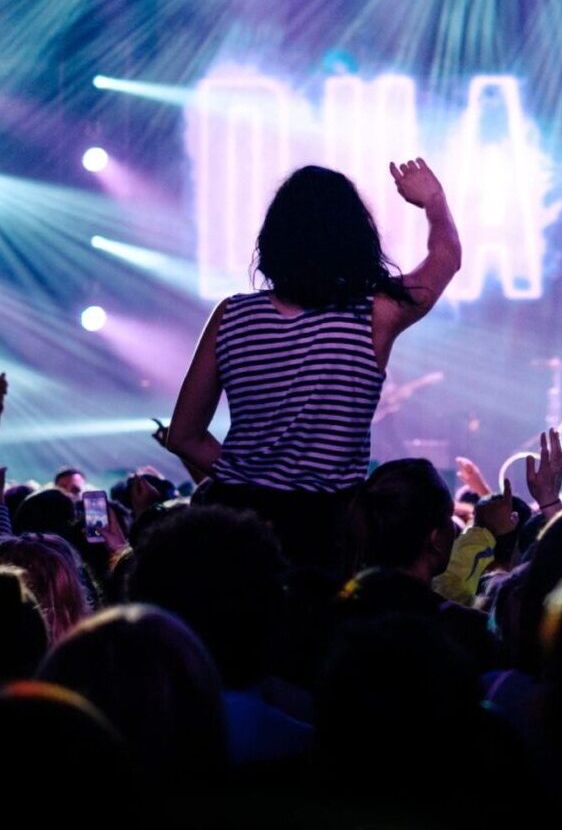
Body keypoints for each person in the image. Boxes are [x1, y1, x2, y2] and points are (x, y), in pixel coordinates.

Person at [166, 159, 461, 571]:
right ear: (355, 238)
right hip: (327, 532)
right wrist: (434, 202)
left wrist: (246, 479)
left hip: (235, 527)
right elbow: (445, 257)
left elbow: (183, 436)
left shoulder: (231, 315)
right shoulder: (374, 315)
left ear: (274, 239)